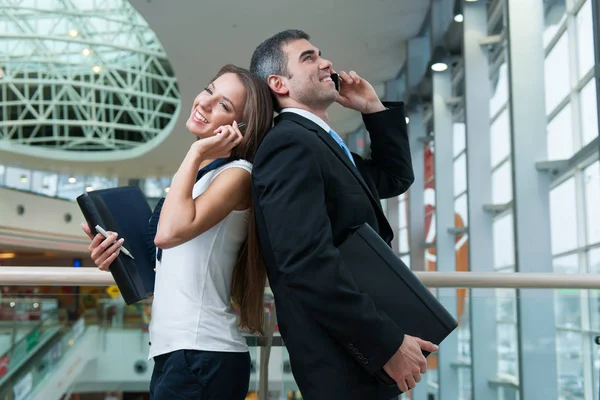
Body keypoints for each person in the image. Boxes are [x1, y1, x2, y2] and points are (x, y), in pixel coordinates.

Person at [249, 29, 439, 399]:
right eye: (308, 58)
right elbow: (305, 262)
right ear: (278, 83)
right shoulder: (289, 144)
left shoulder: (319, 143)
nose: (326, 62)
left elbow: (394, 177)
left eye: (321, 54)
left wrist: (374, 110)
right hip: (342, 353)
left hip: (358, 348)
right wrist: (385, 343)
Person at [82, 64, 274, 400]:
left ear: (240, 127)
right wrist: (114, 257)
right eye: (209, 90)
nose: (205, 102)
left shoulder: (237, 175)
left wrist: (197, 150)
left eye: (224, 106)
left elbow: (168, 234)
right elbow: (173, 266)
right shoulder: (200, 177)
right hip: (179, 353)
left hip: (202, 355)